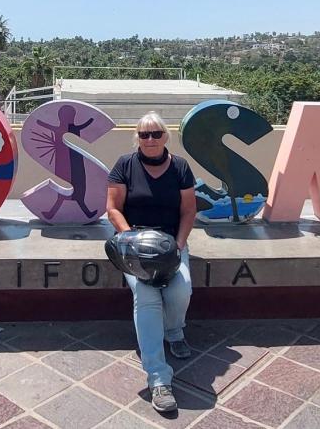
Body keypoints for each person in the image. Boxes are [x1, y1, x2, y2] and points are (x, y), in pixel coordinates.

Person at [106, 111, 197, 413]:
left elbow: (188, 210)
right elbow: (113, 208)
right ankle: (158, 378)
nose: (150, 139)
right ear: (137, 138)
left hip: (171, 243)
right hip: (134, 247)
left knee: (180, 289)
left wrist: (179, 246)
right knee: (146, 296)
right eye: (144, 134)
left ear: (165, 136)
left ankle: (174, 330)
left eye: (156, 133)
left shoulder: (180, 167)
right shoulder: (125, 165)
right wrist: (131, 240)